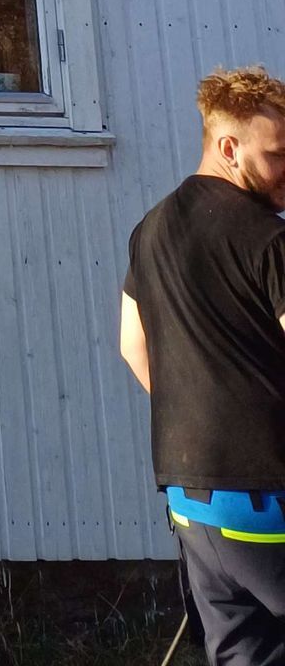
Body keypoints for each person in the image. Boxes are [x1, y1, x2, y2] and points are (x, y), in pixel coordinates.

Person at [123, 67, 285, 666]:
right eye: (278, 155)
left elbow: (131, 346)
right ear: (228, 147)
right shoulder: (268, 239)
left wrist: (200, 415)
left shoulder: (151, 229)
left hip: (193, 505)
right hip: (268, 497)